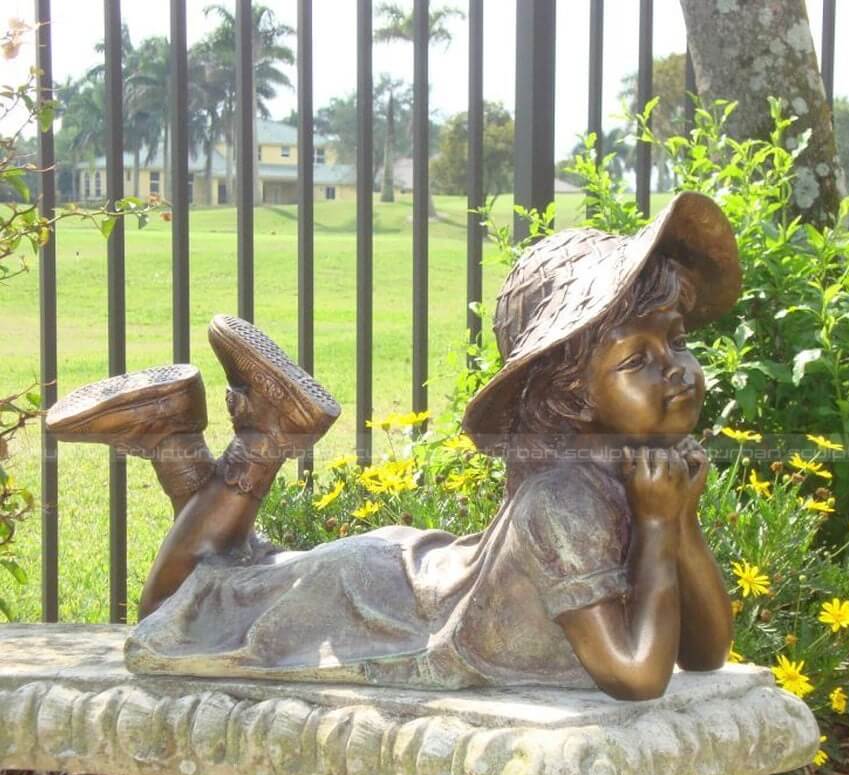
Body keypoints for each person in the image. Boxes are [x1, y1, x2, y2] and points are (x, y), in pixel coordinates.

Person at [47, 191, 740, 700]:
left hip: (421, 577)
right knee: (178, 609)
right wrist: (656, 525)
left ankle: (185, 435)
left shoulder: (635, 476)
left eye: (675, 341)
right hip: (378, 601)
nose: (677, 368)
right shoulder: (564, 502)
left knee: (226, 577)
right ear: (570, 397)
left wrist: (675, 520)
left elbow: (704, 652)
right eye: (638, 359)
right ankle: (254, 437)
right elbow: (638, 674)